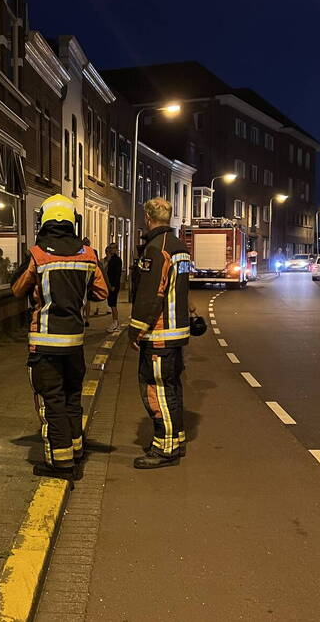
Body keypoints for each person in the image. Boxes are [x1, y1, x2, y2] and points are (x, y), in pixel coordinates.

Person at [12, 195, 108, 479]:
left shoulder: (38, 254)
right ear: (71, 221)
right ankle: (76, 451)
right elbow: (102, 292)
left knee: (51, 400)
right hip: (75, 342)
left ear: (44, 220)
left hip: (45, 343)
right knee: (72, 398)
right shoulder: (88, 254)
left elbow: (17, 289)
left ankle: (61, 463)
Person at [129, 197, 194, 469]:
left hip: (159, 333)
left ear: (148, 218)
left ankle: (165, 449)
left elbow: (150, 293)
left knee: (157, 391)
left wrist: (136, 330)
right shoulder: (179, 247)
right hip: (176, 332)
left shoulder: (157, 249)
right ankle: (176, 439)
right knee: (172, 387)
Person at [104, 243, 123, 332]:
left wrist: (114, 285)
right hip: (109, 284)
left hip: (113, 285)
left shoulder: (117, 260)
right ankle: (116, 323)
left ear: (116, 249)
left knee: (113, 304)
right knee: (111, 303)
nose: (111, 249)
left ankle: (115, 323)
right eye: (110, 248)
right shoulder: (109, 259)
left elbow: (117, 274)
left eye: (113, 248)